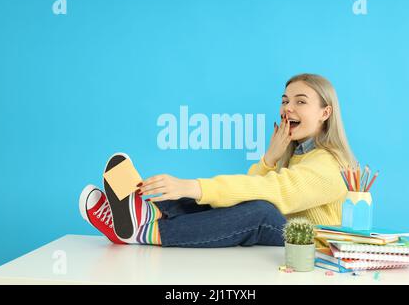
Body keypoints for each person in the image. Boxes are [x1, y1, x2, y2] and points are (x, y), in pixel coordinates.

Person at [79, 73, 356, 248]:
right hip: (287, 231)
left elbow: (277, 192)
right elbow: (250, 189)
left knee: (261, 211)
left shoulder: (332, 164)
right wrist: (270, 158)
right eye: (284, 101)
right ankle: (143, 213)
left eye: (300, 102)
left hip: (312, 244)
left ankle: (144, 232)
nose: (287, 108)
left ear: (325, 112)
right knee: (241, 200)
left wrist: (192, 186)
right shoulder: (296, 155)